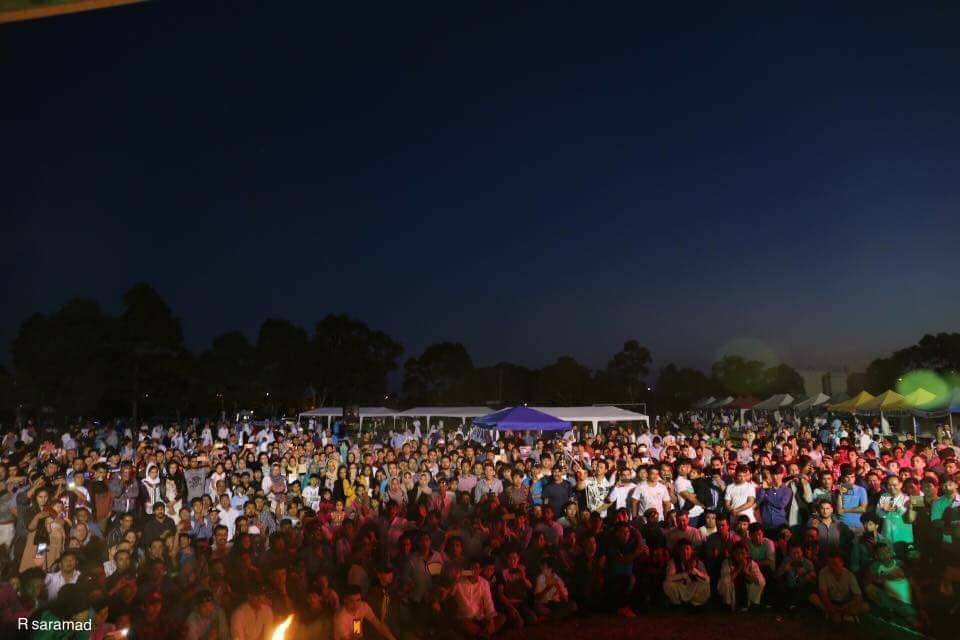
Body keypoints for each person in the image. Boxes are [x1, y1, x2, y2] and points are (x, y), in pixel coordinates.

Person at [809, 553, 869, 623]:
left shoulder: (849, 575)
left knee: (866, 606)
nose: (832, 567)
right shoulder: (823, 572)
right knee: (812, 597)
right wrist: (830, 608)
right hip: (831, 601)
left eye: (835, 564)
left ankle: (838, 614)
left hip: (845, 603)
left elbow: (858, 596)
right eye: (829, 564)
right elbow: (824, 594)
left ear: (842, 563)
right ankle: (840, 615)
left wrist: (843, 608)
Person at [718, 543, 765, 611]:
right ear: (733, 553)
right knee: (725, 582)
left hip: (747, 589)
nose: (740, 556)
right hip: (732, 591)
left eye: (742, 553)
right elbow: (726, 579)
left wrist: (747, 572)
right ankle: (727, 605)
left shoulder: (752, 563)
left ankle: (753, 604)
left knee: (761, 582)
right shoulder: (727, 562)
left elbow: (760, 580)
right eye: (737, 553)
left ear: (747, 554)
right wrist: (739, 568)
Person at [663, 540, 710, 606]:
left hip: (693, 586)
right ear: (679, 551)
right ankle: (677, 602)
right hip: (680, 587)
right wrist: (685, 574)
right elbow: (668, 578)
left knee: (705, 586)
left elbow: (707, 579)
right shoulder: (673, 562)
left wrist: (696, 572)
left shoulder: (698, 562)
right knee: (667, 584)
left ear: (691, 551)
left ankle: (695, 603)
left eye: (687, 549)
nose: (685, 552)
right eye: (682, 549)